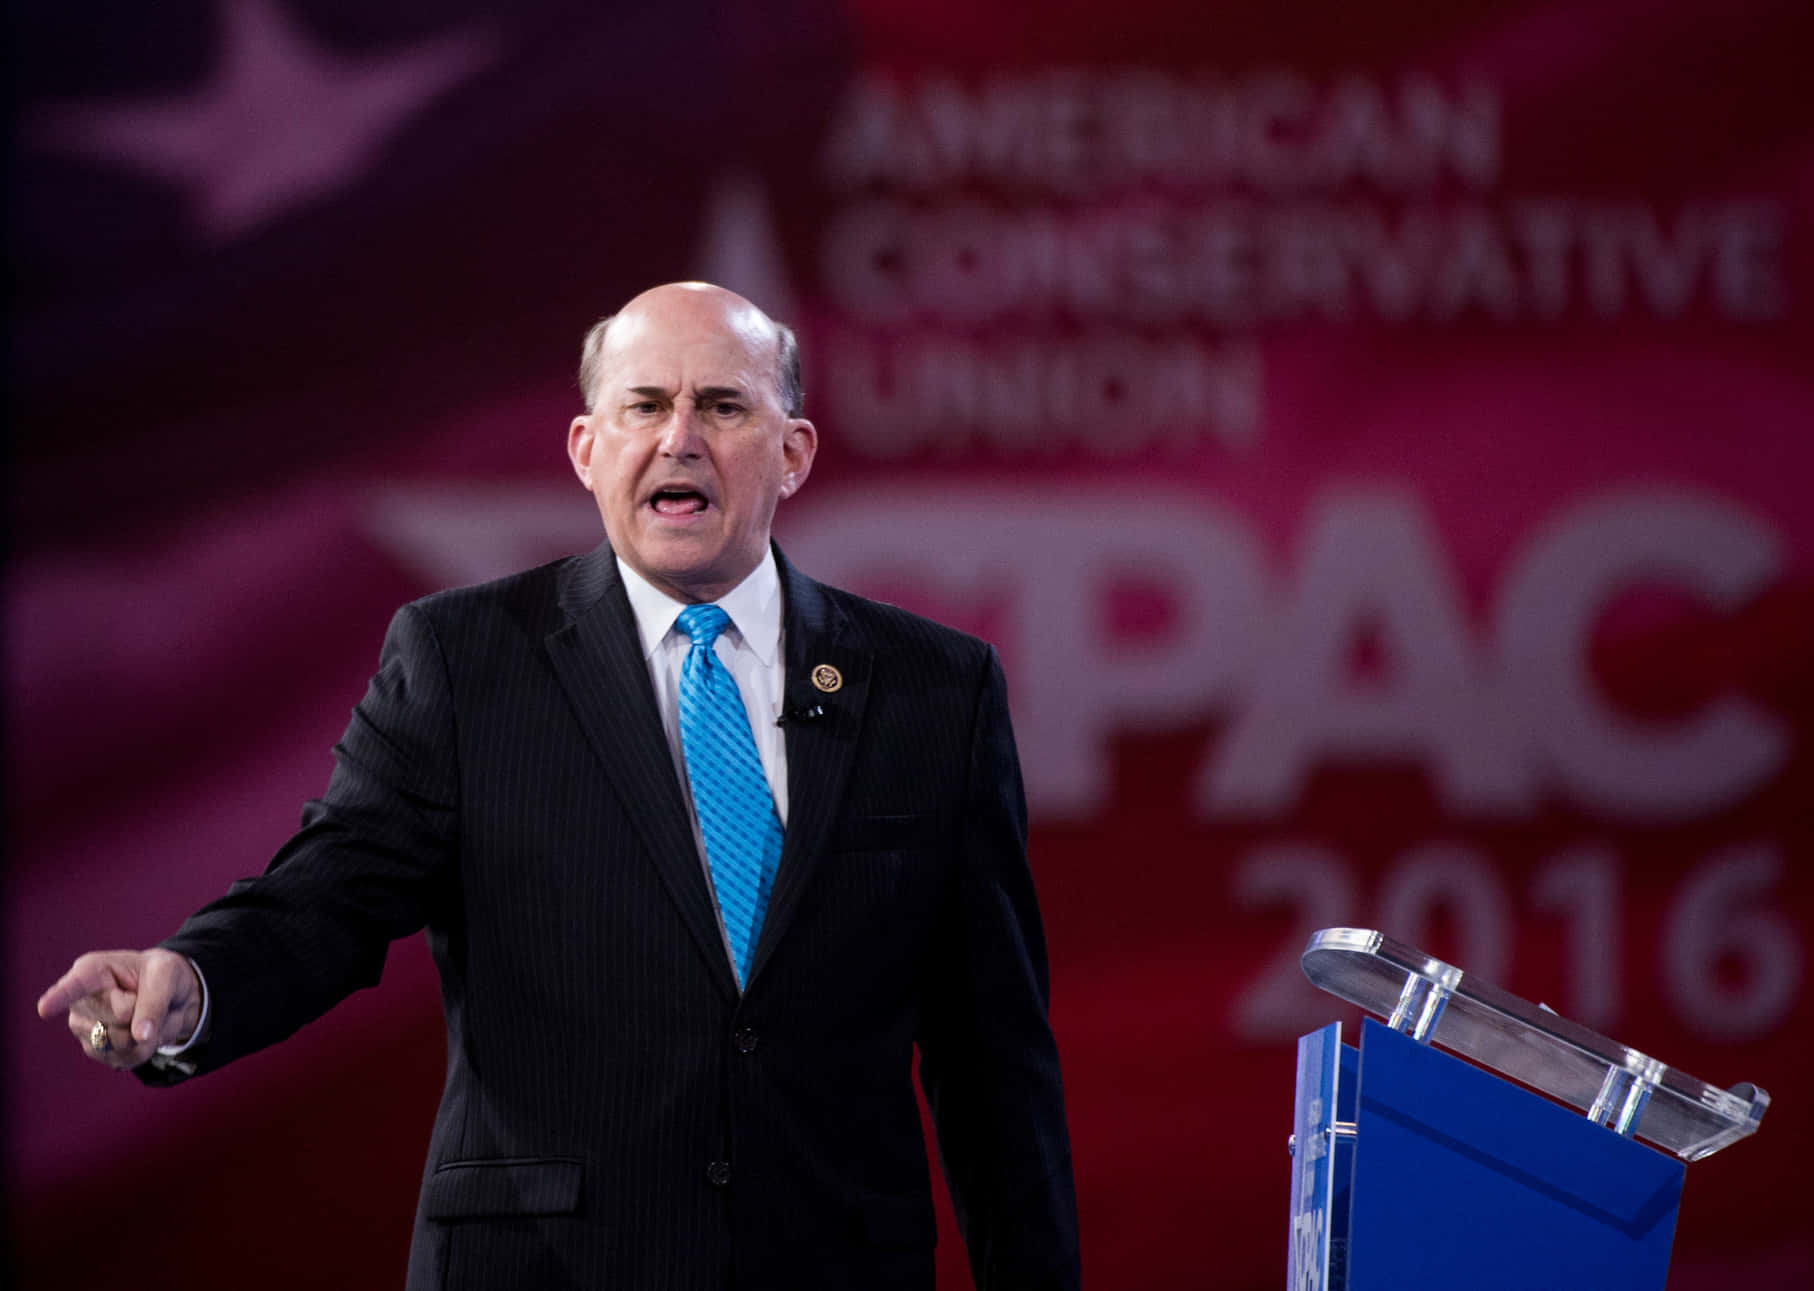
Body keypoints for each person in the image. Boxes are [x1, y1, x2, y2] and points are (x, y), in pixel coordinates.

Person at [36, 283, 1080, 1290]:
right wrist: (194, 982)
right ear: (588, 449)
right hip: (547, 1264)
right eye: (644, 405)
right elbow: (331, 891)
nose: (679, 438)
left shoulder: (933, 688)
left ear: (794, 452)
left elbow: (993, 1057)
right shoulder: (465, 659)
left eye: (721, 405)